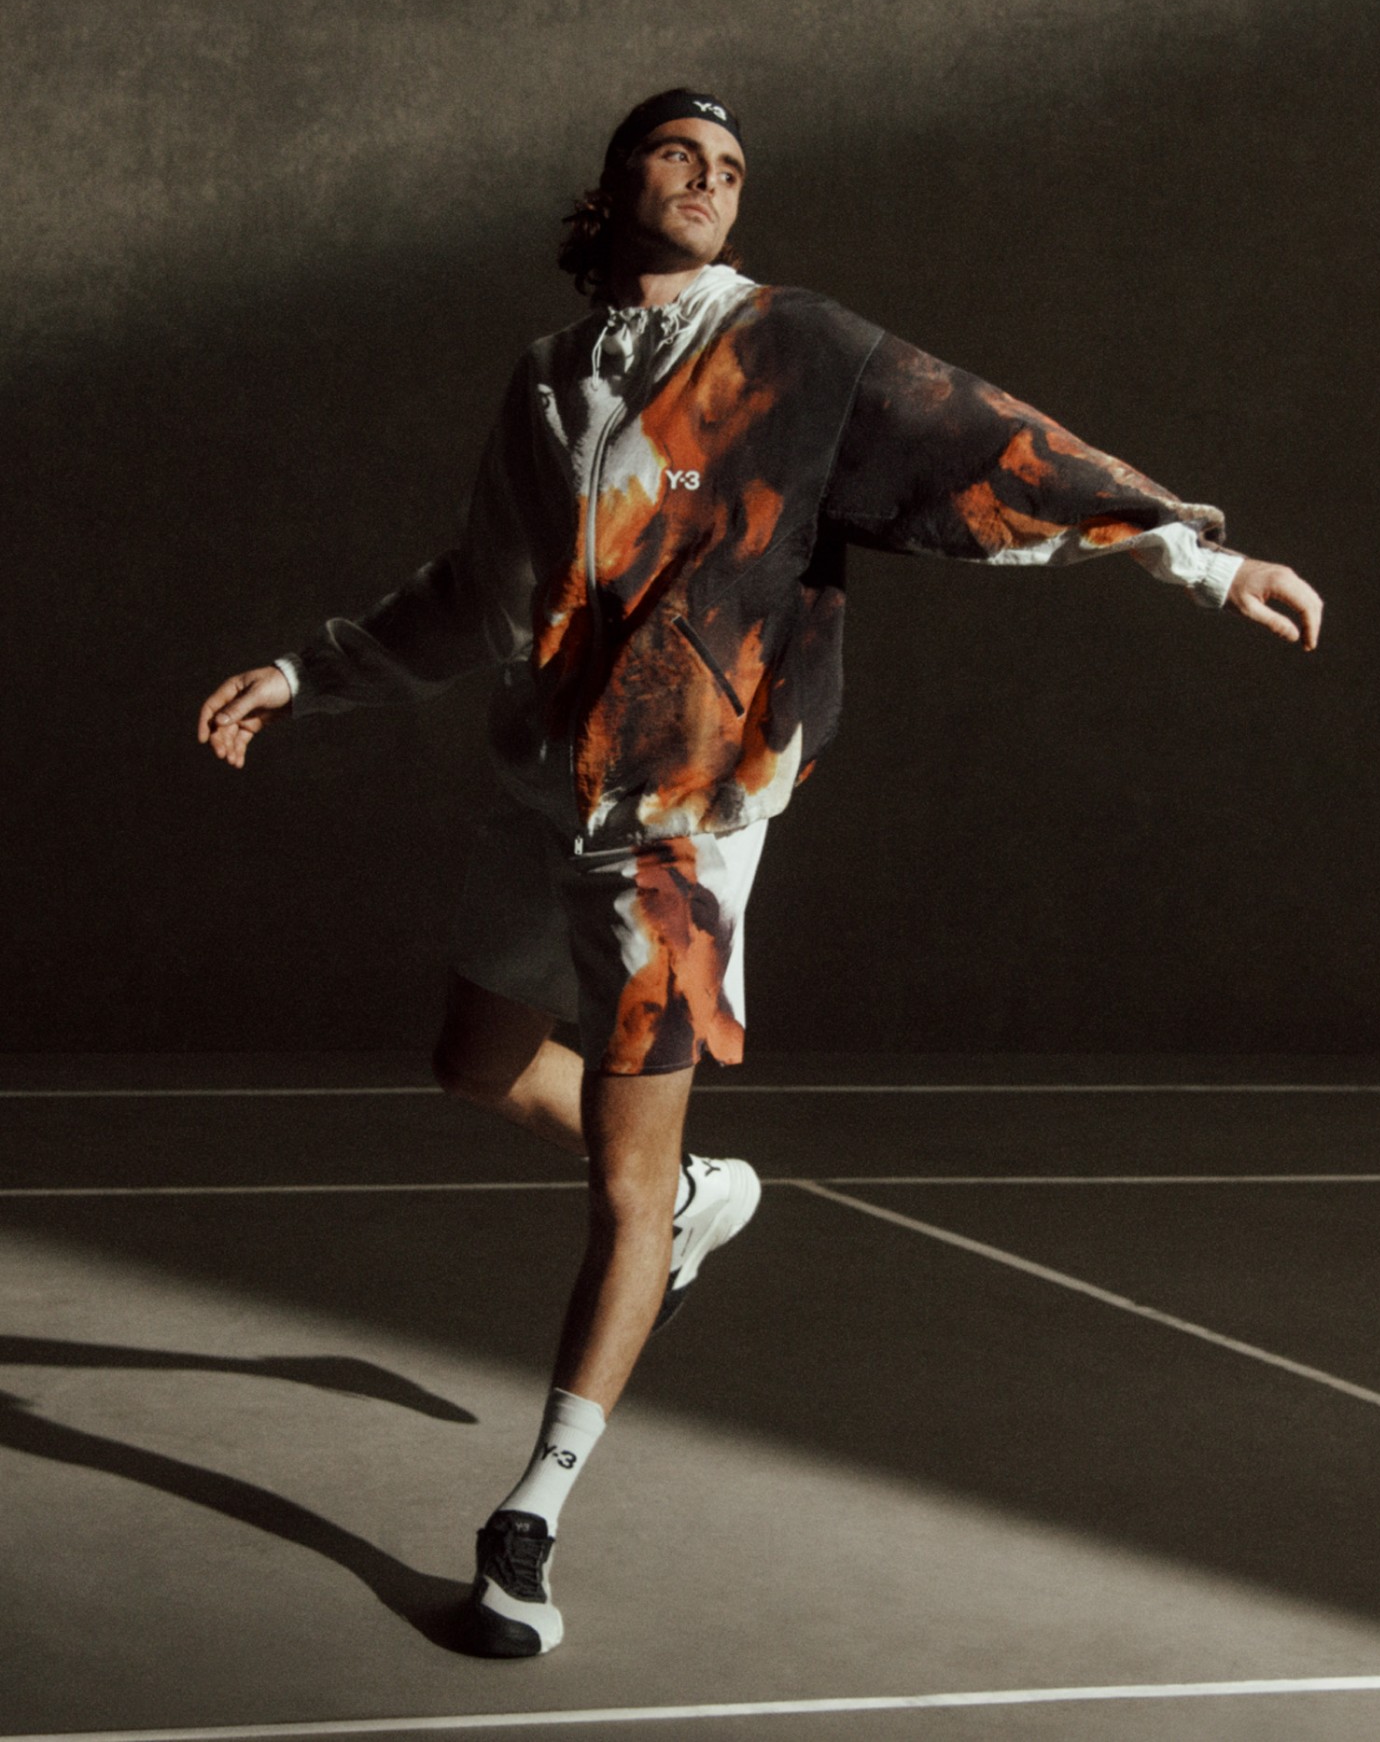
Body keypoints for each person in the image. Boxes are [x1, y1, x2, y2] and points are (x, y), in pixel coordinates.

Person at [197, 88, 1323, 1657]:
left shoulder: (794, 350)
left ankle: (530, 1518)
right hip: (544, 787)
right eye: (682, 154)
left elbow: (999, 443)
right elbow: (477, 590)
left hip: (685, 822)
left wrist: (1200, 557)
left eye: (733, 167)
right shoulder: (547, 379)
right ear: (616, 183)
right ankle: (693, 1199)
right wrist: (303, 673)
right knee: (474, 1060)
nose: (712, 179)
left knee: (620, 1180)